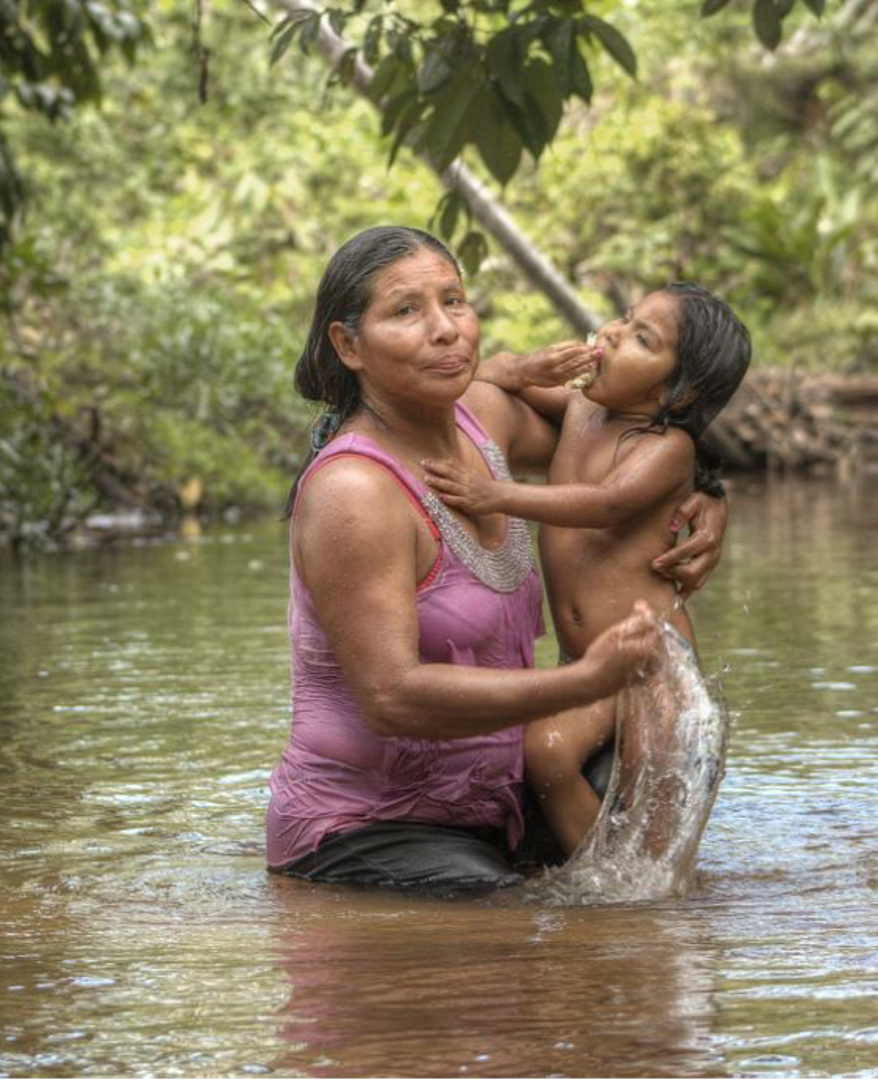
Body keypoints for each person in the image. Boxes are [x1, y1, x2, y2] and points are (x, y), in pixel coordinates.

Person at [266, 227, 729, 896]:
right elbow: (392, 697)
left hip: (498, 805)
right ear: (348, 346)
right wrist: (586, 679)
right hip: (370, 826)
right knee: (519, 937)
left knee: (666, 763)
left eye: (453, 301)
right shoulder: (354, 492)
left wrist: (707, 497)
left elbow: (631, 452)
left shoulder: (482, 418)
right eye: (405, 311)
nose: (445, 329)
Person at [423, 284, 751, 856]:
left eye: (642, 338)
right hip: (587, 664)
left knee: (654, 826)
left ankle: (641, 904)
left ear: (680, 389)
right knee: (544, 752)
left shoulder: (667, 447)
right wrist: (527, 366)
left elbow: (605, 503)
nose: (613, 333)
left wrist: (495, 495)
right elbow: (486, 382)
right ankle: (597, 885)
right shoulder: (583, 409)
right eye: (624, 319)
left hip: (650, 666)